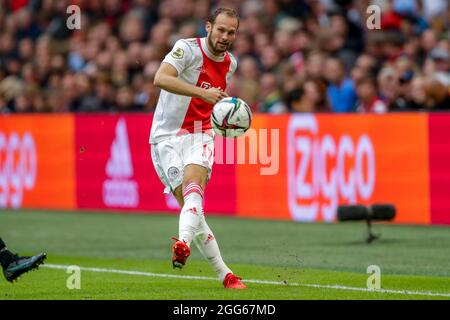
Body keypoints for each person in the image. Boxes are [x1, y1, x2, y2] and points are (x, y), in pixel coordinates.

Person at [149, 8, 246, 289]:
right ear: (208, 27)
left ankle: (183, 243)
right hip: (165, 138)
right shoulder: (187, 49)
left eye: (231, 32)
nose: (225, 36)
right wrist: (202, 92)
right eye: (221, 30)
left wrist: (227, 119)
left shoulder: (231, 64)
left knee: (195, 190)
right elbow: (161, 78)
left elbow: (214, 104)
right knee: (195, 211)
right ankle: (224, 273)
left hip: (199, 133)